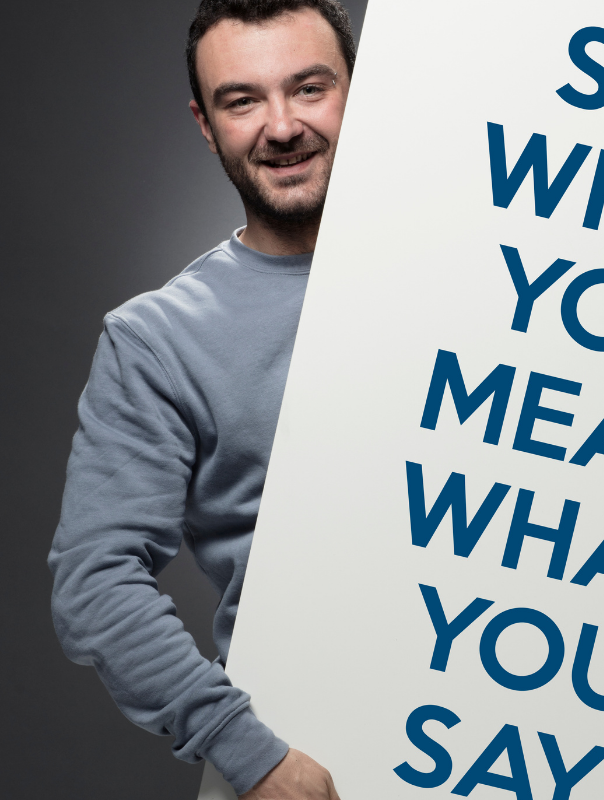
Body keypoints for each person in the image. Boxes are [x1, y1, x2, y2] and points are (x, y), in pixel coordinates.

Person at [47, 1, 356, 797]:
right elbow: (95, 581)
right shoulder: (156, 341)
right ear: (205, 124)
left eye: (310, 88)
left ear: (358, 89)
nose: (281, 126)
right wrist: (251, 758)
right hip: (295, 765)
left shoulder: (490, 278)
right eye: (242, 99)